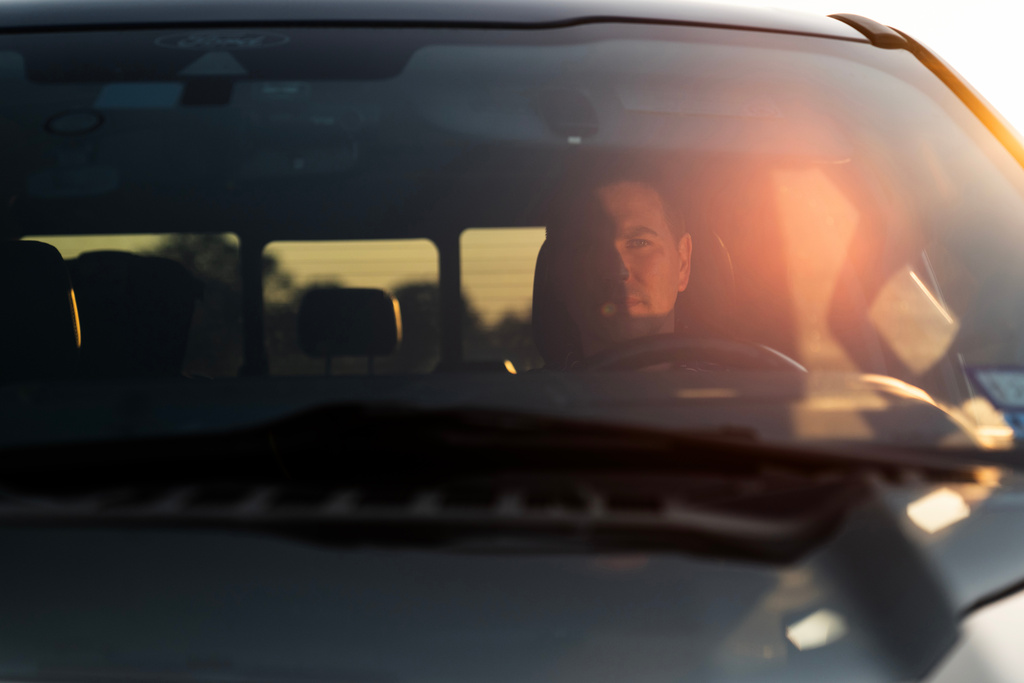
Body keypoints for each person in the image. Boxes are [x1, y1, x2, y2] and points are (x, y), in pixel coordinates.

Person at [538, 175, 692, 366]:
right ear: (557, 273)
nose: (617, 270)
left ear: (683, 262)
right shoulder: (523, 396)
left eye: (639, 243)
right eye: (588, 248)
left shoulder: (737, 390)